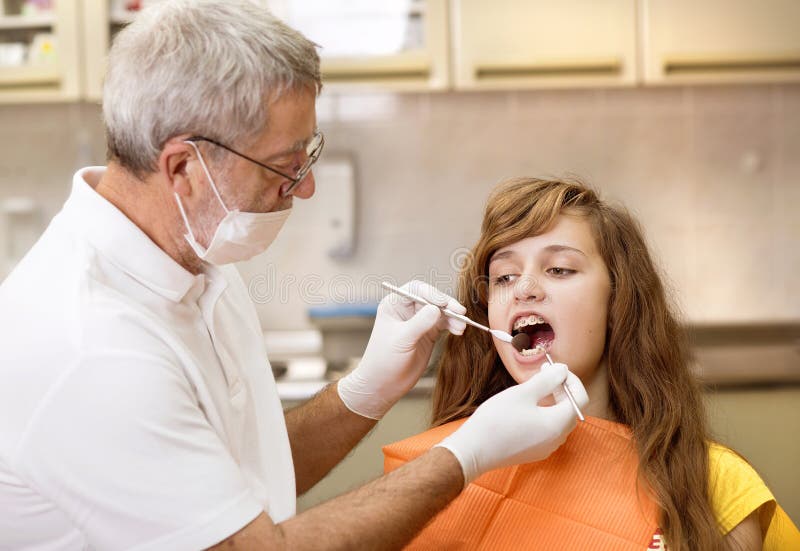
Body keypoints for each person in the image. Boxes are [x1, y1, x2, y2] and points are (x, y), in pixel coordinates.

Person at [0, 2, 590, 550]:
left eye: (308, 156)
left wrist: (367, 390)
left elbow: (245, 471)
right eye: (284, 166)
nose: (305, 187)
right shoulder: (88, 347)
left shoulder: (197, 256)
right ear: (184, 168)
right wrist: (468, 454)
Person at [384, 177, 800, 551]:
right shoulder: (443, 470)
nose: (524, 289)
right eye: (504, 277)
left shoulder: (712, 485)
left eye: (560, 269)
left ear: (617, 301)